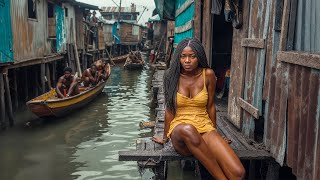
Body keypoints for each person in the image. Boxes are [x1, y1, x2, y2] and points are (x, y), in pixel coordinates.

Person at [152, 38, 245, 179]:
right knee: (188, 129)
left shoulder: (208, 75)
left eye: (192, 56)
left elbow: (210, 106)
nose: (187, 60)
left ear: (199, 57)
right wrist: (165, 138)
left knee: (238, 173)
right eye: (183, 56)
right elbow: (169, 109)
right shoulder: (171, 76)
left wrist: (215, 133)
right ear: (179, 57)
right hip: (180, 131)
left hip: (204, 128)